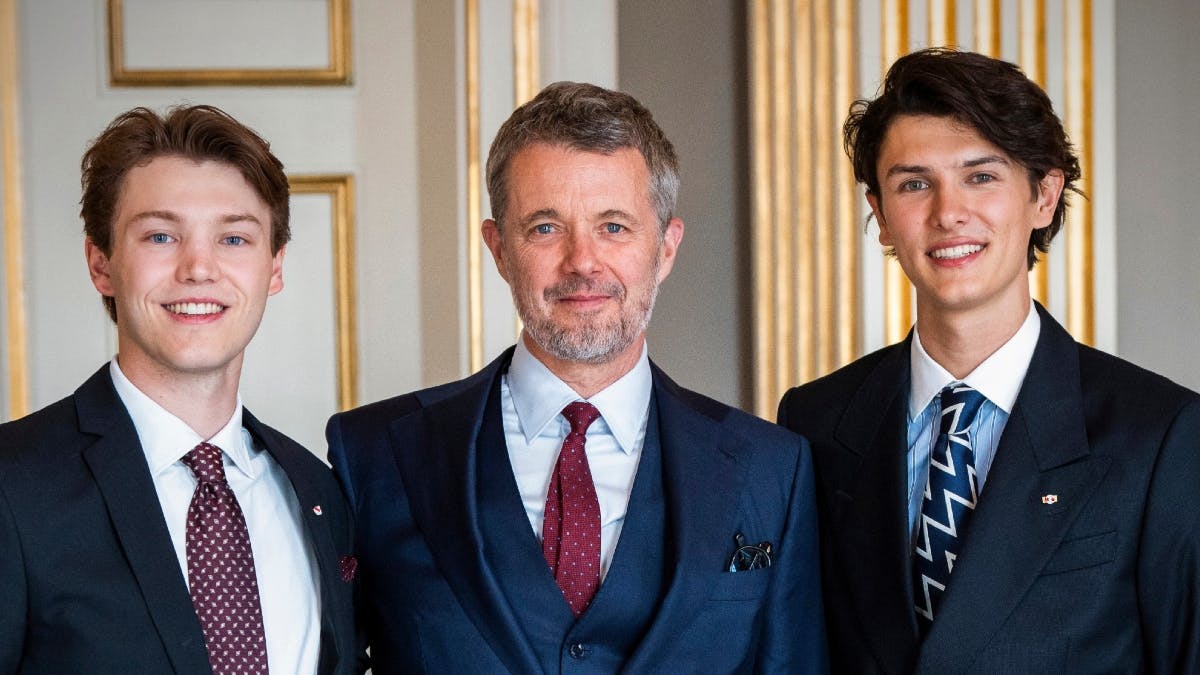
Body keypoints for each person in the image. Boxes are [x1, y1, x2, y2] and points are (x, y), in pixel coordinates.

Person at [328, 81, 827, 673]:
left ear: (666, 248)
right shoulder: (374, 454)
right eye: (545, 227)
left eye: (613, 227)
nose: (583, 261)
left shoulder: (772, 468)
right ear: (498, 249)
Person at [778, 47, 1200, 673]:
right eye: (914, 184)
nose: (948, 212)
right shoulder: (816, 421)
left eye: (980, 177)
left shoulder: (1160, 433)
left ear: (1044, 196)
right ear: (881, 216)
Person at [0, 105, 356, 674]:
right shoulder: (12, 484)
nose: (198, 268)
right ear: (101, 263)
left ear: (274, 267)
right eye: (161, 236)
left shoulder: (320, 492)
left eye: (234, 238)